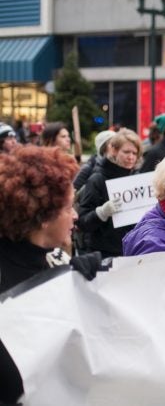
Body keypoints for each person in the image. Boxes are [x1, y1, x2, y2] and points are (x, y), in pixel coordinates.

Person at [0, 146, 103, 404]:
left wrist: (82, 287)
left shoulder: (54, 257)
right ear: (44, 217)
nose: (76, 215)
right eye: (69, 208)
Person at [77, 129, 142, 258]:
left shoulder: (137, 178)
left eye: (134, 153)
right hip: (104, 254)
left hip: (131, 251)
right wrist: (101, 213)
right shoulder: (97, 179)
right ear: (113, 150)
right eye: (126, 152)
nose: (131, 157)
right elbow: (82, 222)